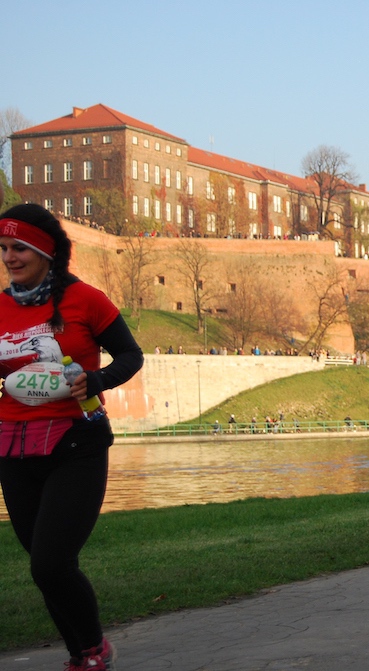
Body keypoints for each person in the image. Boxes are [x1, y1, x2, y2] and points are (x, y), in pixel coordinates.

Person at [0, 204, 144, 671]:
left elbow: (130, 355)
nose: (9, 257)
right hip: (13, 445)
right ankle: (83, 653)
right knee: (45, 567)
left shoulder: (86, 300)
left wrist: (95, 380)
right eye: (3, 248)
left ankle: (93, 651)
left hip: (76, 442)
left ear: (45, 251)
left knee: (50, 563)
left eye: (19, 248)